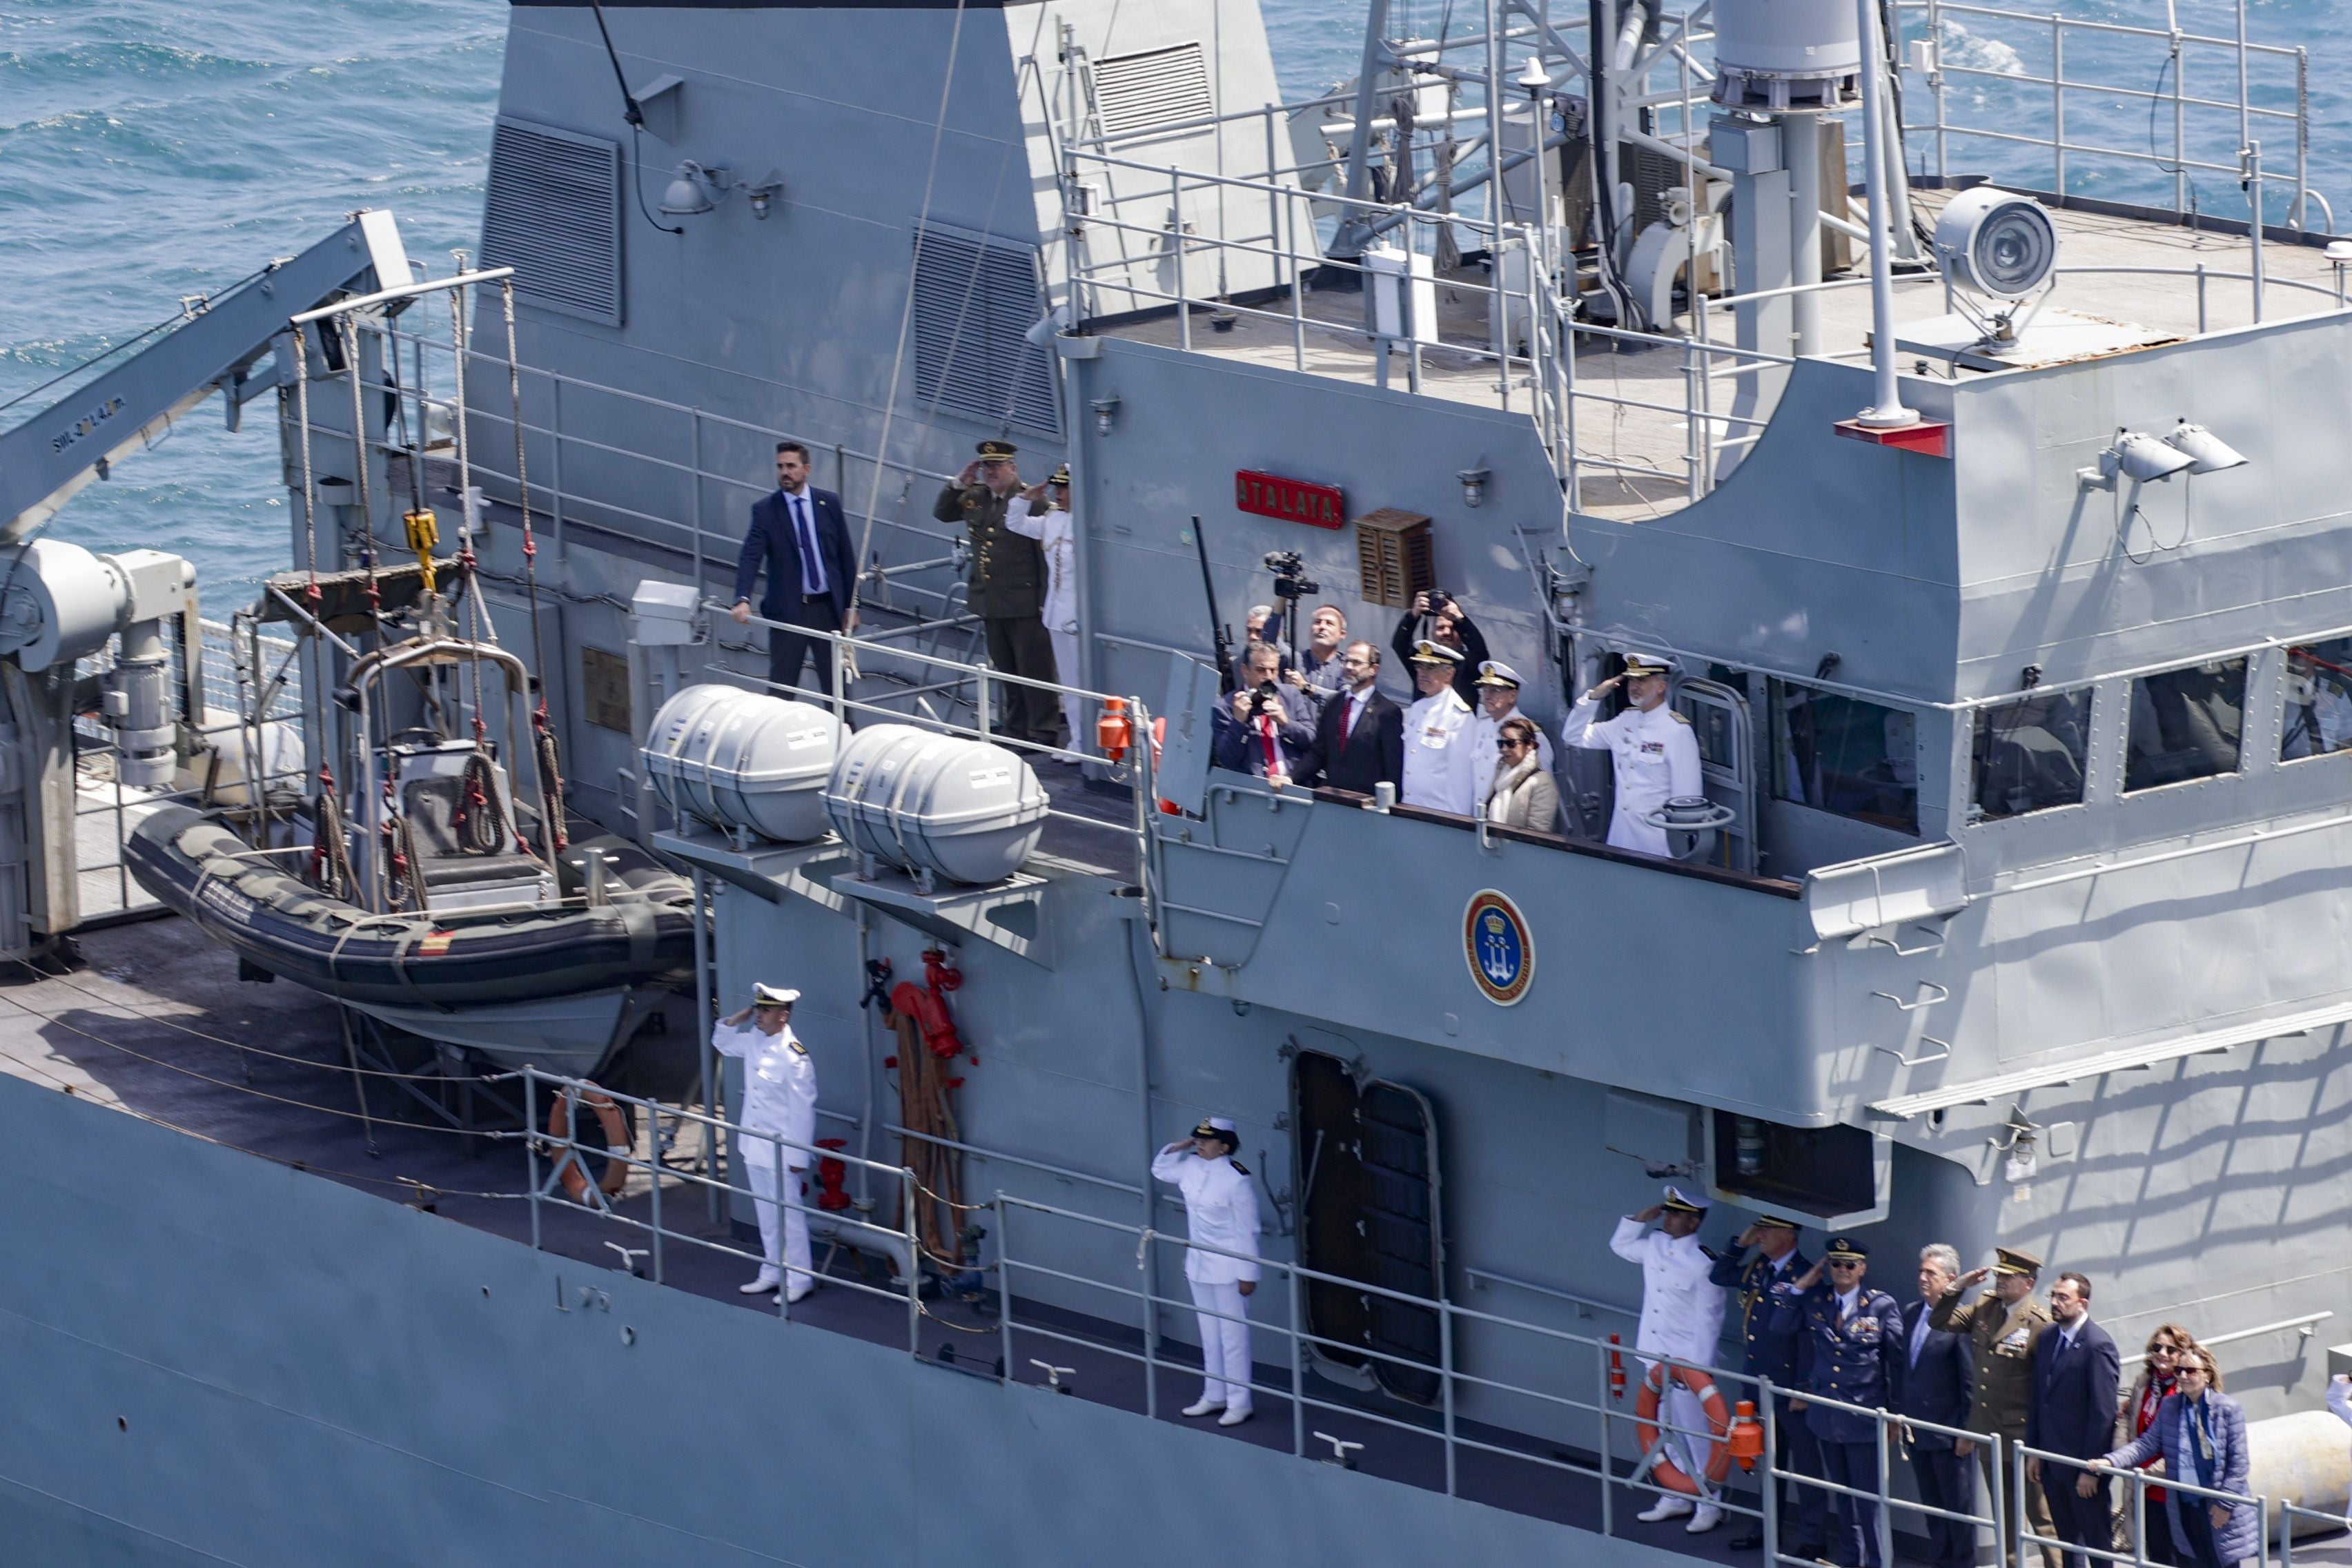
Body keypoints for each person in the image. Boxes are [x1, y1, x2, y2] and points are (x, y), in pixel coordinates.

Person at [1771, 1237, 1907, 1568]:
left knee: (1869, 1502)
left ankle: (1877, 1563)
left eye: (1849, 1264)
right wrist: (1802, 1285)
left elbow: (1898, 1362)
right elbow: (1780, 1325)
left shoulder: (1880, 1305)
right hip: (1826, 1415)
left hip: (1863, 1417)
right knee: (1843, 1499)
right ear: (1827, 1267)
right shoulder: (1815, 1300)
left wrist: (1895, 1415)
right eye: (1835, 1263)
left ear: (1863, 1268)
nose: (1842, 1270)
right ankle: (1850, 1560)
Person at [1611, 1186, 1730, 1533]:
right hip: (1654, 1354)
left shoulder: (1705, 1264)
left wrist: (1695, 1372)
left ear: (1693, 1221)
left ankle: (1710, 1503)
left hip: (1686, 1365)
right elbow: (1619, 1246)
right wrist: (1638, 1220)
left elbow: (1709, 1322)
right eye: (1667, 1212)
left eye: (1675, 1214)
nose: (1667, 1217)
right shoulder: (1655, 1246)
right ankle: (1675, 1497)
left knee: (1696, 1433)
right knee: (1662, 1427)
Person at [934, 439, 1066, 747]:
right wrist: (957, 484)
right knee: (1006, 669)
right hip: (990, 600)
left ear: (1013, 468)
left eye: (997, 466)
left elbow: (1044, 558)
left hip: (1025, 602)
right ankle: (1016, 728)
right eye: (986, 466)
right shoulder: (976, 497)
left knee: (1034, 670)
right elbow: (942, 513)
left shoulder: (1033, 501)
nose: (991, 472)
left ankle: (1043, 731)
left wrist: (1045, 603)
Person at [1932, 1247, 2059, 1568]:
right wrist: (1958, 1286)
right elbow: (1941, 1320)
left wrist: (2037, 1445)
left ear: (2028, 1284)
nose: (2000, 1280)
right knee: (2004, 1515)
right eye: (1999, 1274)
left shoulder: (2040, 1324)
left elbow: (2047, 1390)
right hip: (1988, 1428)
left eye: (2008, 1276)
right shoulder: (1986, 1306)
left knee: (2041, 1516)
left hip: (2022, 1433)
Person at [1708, 1215, 1826, 1556]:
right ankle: (1767, 1530)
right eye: (1758, 1229)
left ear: (1789, 1235)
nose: (1760, 1235)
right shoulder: (1758, 1267)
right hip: (1759, 1384)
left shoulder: (1805, 1276)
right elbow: (1719, 1275)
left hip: (1790, 1390)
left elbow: (1809, 1337)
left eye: (1766, 1230)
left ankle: (1812, 1540)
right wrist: (1739, 1245)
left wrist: (1802, 1388)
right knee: (1769, 1464)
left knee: (1805, 1467)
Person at [2095, 1347, 2257, 1568]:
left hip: (2217, 1504)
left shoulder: (2228, 1409)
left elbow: (2239, 1464)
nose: (2182, 1376)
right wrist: (2111, 1461)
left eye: (2190, 1371)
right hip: (2185, 1502)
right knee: (2192, 1560)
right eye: (2179, 1370)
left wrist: (2225, 1504)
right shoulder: (2170, 1406)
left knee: (2222, 1561)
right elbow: (2147, 1444)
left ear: (2207, 1374)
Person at [1150, 1117, 1264, 1427]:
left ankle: (1239, 1402)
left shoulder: (1237, 1180)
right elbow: (1160, 1170)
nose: (1200, 1143)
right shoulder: (1191, 1166)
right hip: (1199, 1265)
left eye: (1207, 1140)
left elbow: (1248, 1230)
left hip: (1230, 1270)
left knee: (1233, 1337)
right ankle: (1214, 1394)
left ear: (1225, 1146)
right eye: (1198, 1139)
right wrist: (1179, 1146)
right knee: (1210, 1336)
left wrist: (1248, 1274)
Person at [710, 983, 819, 1302]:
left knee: (790, 1217)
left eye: (765, 1010)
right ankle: (772, 1271)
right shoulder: (755, 1041)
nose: (759, 1014)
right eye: (757, 1008)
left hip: (782, 1150)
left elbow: (803, 1109)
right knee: (766, 1214)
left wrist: (799, 1156)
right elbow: (723, 1043)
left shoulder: (795, 1057)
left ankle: (800, 1279)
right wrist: (737, 1018)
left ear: (783, 1017)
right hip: (754, 1145)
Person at [732, 441, 859, 703]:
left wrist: (852, 606)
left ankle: (844, 734)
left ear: (807, 469)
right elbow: (750, 556)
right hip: (790, 611)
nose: (784, 472)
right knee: (782, 687)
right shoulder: (766, 511)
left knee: (836, 689)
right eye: (780, 467)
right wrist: (742, 598)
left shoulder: (828, 503)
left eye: (791, 466)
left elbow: (845, 556)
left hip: (827, 610)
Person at [1562, 654, 1703, 855]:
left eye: (1642, 680)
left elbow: (1687, 799)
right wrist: (1593, 697)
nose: (1634, 686)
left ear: (1661, 687)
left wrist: (1679, 847)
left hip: (1658, 841)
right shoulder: (1624, 721)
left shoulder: (1677, 731)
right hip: (1621, 836)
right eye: (1631, 679)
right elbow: (1573, 736)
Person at [2028, 1272, 2121, 1568]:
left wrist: (2091, 1469)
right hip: (2052, 1463)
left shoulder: (2098, 1346)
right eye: (2053, 1296)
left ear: (2082, 1303)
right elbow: (2039, 1398)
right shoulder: (2048, 1338)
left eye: (2062, 1297)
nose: (2054, 1303)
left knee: (2097, 1546)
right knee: (2068, 1546)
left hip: (2084, 1469)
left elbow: (2103, 1414)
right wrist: (2034, 1452)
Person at [1903, 1245, 1979, 1568]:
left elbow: (1971, 1382)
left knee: (1958, 1508)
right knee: (1932, 1504)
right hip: (1917, 1429)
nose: (1922, 1278)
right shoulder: (1909, 1313)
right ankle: (1940, 1560)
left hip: (1950, 1434)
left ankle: (1962, 1563)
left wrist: (1967, 1431)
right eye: (1921, 1271)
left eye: (1930, 1273)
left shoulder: (1961, 1323)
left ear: (1950, 1280)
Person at [1008, 462, 1081, 747]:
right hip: (1056, 611)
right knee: (1067, 681)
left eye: (1065, 487)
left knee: (1082, 681)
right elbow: (1015, 524)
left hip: (1078, 615)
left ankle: (1087, 740)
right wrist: (1025, 498)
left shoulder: (1087, 523)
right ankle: (1076, 739)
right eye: (1057, 487)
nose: (1059, 493)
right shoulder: (1052, 520)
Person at [2115, 1325, 2197, 1565]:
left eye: (2171, 1349)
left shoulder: (2185, 1391)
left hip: (2173, 1485)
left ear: (2183, 1355)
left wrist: (2150, 1474)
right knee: (2157, 1552)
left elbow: (2184, 1445)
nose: (2163, 1353)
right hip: (2145, 1487)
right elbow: (2128, 1423)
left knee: (2183, 1555)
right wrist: (2125, 1458)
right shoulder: (2143, 1384)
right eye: (2157, 1347)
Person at [1295, 640, 1403, 795]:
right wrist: (1290, 779)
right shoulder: (1334, 703)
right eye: (1346, 661)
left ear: (1374, 669)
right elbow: (1318, 753)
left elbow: (1392, 767)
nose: (1349, 667)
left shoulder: (1387, 713)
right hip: (1332, 796)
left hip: (1366, 803)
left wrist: (1389, 807)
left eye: (1357, 663)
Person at [1211, 640, 1316, 782]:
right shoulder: (1225, 707)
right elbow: (1228, 760)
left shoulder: (1291, 695)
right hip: (1253, 788)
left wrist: (1286, 723)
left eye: (1273, 670)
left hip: (1293, 783)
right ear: (1245, 671)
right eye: (1261, 670)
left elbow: (1312, 742)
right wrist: (1239, 723)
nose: (1268, 676)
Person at [1400, 639, 1480, 815]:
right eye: (1420, 667)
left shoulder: (1460, 717)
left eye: (1431, 668)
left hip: (1439, 814)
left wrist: (1457, 823)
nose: (1422, 673)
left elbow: (1461, 781)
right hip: (1409, 807)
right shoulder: (1417, 708)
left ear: (1449, 673)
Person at [1468, 661, 1556, 805]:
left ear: (1512, 696)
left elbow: (1544, 790)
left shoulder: (1533, 735)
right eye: (1485, 690)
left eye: (1495, 690)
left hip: (1509, 819)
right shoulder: (1480, 727)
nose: (1488, 696)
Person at [1391, 590, 1490, 705]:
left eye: (1453, 628)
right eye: (1440, 628)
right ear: (1432, 633)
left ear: (1462, 635)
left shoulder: (1468, 663)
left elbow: (1480, 652)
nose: (1447, 633)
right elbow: (1400, 645)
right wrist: (1413, 616)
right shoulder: (1422, 661)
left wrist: (1460, 619)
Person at [1483, 717, 1560, 830]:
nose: (1504, 749)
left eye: (1511, 743)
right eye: (1501, 743)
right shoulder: (1501, 773)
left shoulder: (1543, 784)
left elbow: (1537, 832)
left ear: (1530, 745)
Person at [2281, 648, 2352, 759]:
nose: (2290, 661)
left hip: (2330, 766)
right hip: (2289, 770)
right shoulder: (2278, 697)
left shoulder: (2336, 695)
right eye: (2287, 656)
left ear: (2312, 660)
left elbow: (2347, 739)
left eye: (2296, 656)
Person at [1284, 605, 1351, 712]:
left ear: (1342, 634)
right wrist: (1282, 604)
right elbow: (1270, 642)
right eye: (1317, 622)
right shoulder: (1296, 659)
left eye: (1329, 623)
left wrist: (1307, 688)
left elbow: (1345, 701)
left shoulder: (1347, 667)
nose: (1322, 627)